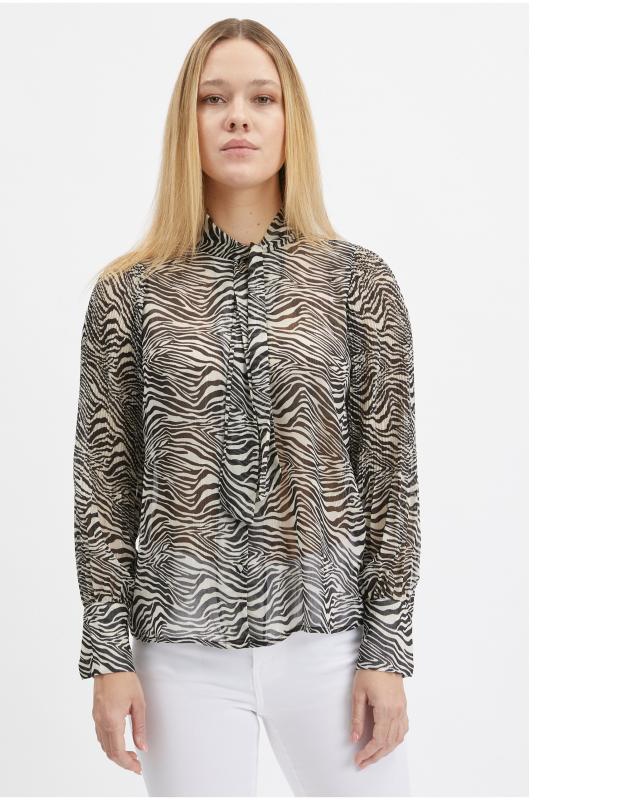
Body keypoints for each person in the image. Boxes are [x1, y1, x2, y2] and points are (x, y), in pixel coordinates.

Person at [73, 17, 421, 797]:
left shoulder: (358, 283)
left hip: (332, 645)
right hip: (179, 653)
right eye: (214, 99)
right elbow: (103, 487)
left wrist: (387, 651)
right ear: (186, 123)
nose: (238, 117)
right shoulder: (128, 293)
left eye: (262, 98)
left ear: (291, 120)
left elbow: (391, 480)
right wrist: (108, 656)